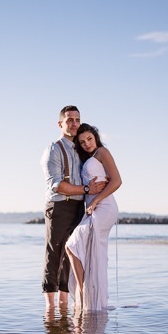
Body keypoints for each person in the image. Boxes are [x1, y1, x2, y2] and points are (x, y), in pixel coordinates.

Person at [40, 106, 106, 311]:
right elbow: (57, 184)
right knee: (55, 252)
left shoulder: (82, 148)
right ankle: (50, 307)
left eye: (77, 119)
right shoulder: (54, 149)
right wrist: (87, 188)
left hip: (80, 206)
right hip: (59, 205)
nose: (74, 123)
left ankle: (64, 301)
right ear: (60, 124)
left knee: (73, 251)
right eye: (69, 120)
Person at [65, 123, 122, 311]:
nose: (87, 144)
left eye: (89, 139)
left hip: (104, 208)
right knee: (86, 252)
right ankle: (88, 296)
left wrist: (96, 200)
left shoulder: (102, 152)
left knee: (72, 245)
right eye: (82, 142)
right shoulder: (89, 158)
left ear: (95, 137)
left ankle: (86, 295)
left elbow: (117, 181)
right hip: (93, 208)